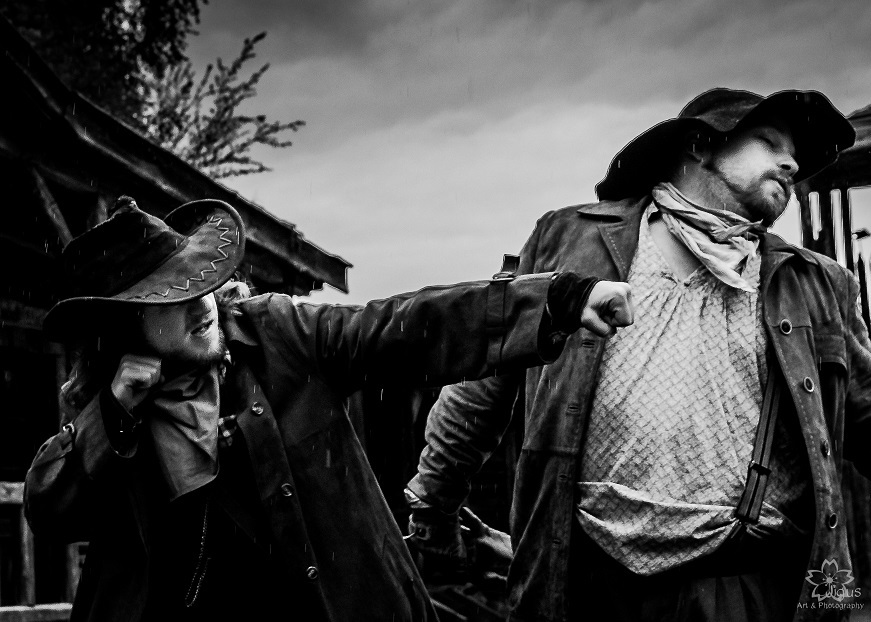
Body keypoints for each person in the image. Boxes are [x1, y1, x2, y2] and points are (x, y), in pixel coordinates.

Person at [23, 195, 633, 622]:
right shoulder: (111, 408)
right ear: (126, 325)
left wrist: (553, 301)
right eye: (172, 295)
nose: (201, 301)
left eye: (198, 282)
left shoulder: (278, 335)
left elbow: (401, 326)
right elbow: (51, 510)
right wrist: (115, 411)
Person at [405, 88, 864, 622]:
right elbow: (482, 386)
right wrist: (432, 507)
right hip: (589, 587)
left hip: (744, 589)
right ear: (700, 145)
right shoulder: (568, 241)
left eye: (795, 154)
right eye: (768, 142)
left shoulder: (817, 285)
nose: (791, 163)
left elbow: (867, 413)